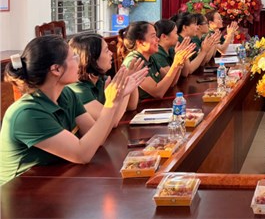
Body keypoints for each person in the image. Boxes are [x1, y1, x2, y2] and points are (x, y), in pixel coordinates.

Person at [0, 35, 142, 184]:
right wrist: (111, 104)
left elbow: (97, 137)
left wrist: (118, 98)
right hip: (22, 191)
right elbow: (82, 154)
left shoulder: (66, 94)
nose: (79, 61)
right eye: (74, 57)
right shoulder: (28, 114)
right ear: (56, 69)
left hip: (56, 181)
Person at [67, 34, 147, 127]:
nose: (111, 53)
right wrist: (123, 87)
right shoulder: (77, 88)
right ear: (92, 58)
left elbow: (131, 106)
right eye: (106, 50)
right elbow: (112, 122)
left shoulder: (101, 79)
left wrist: (129, 79)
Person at [118, 21, 194, 100]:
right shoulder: (134, 62)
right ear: (140, 42)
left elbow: (172, 83)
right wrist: (175, 64)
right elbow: (158, 93)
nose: (158, 39)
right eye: (153, 36)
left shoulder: (150, 57)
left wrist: (179, 64)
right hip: (143, 105)